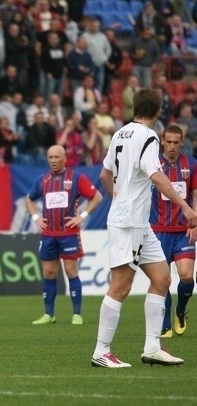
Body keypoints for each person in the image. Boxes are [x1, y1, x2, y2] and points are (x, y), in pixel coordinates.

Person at [91, 88, 197, 368]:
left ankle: (152, 346)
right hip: (128, 222)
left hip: (138, 221)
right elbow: (157, 175)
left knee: (162, 278)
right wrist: (185, 207)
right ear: (158, 111)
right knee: (121, 286)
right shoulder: (149, 136)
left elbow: (104, 174)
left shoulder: (120, 133)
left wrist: (119, 198)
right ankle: (101, 351)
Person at [25, 145, 103, 326]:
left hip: (68, 233)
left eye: (56, 157)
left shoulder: (75, 178)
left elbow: (97, 196)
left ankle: (76, 314)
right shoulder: (42, 180)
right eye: (50, 157)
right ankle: (48, 314)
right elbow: (29, 199)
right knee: (49, 272)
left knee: (70, 271)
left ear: (65, 158)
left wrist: (82, 216)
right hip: (48, 234)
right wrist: (36, 216)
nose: (53, 160)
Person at [149, 125, 197, 338]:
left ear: (182, 142)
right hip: (158, 230)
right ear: (162, 141)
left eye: (176, 142)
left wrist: (194, 223)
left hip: (183, 231)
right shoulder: (152, 164)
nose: (172, 146)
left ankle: (180, 311)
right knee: (163, 279)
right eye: (168, 142)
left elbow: (195, 195)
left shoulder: (191, 164)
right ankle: (166, 323)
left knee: (186, 276)